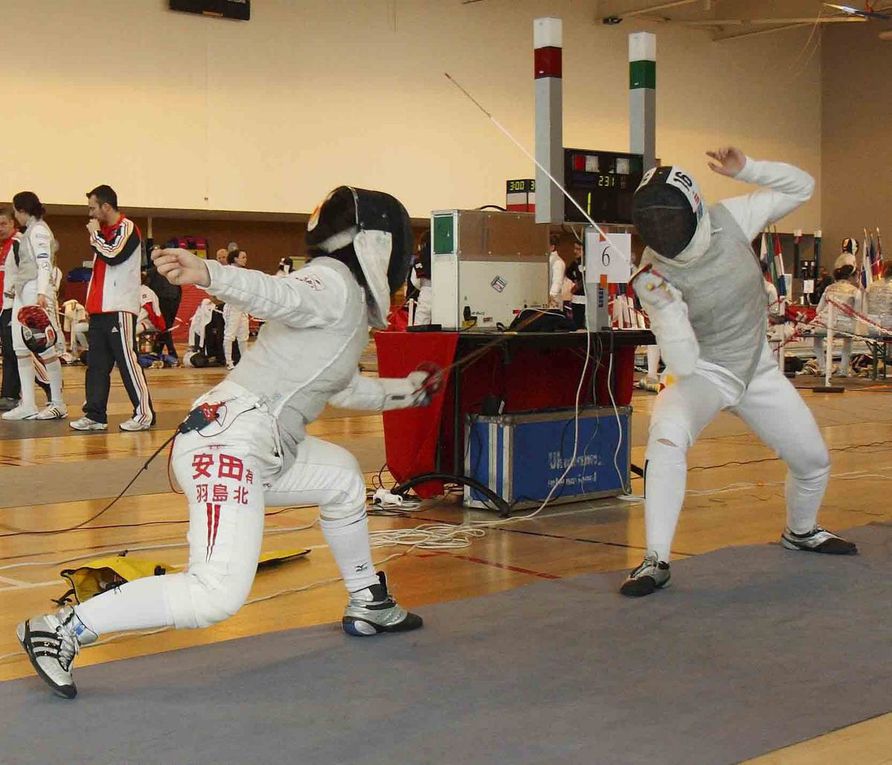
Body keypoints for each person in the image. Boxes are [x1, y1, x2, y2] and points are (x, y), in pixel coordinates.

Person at [17, 186, 433, 699]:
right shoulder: (333, 281)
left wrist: (407, 391)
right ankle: (59, 630)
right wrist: (210, 274)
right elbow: (279, 292)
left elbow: (339, 384)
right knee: (213, 596)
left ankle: (367, 597)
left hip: (257, 445)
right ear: (376, 244)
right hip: (229, 445)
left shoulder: (340, 311)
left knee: (342, 477)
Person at [620, 147, 857, 598]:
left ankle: (801, 531)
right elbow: (684, 362)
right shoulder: (651, 273)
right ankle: (655, 559)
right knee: (667, 433)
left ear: (692, 211)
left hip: (757, 366)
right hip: (705, 372)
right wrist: (667, 308)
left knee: (813, 462)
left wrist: (747, 170)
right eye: (651, 220)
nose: (660, 229)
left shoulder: (729, 219)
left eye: (667, 217)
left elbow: (802, 186)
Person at [70, 185, 155, 432]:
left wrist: (95, 236)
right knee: (96, 365)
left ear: (106, 207)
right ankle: (95, 415)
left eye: (93, 209)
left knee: (128, 361)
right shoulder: (105, 232)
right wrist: (89, 304)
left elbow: (114, 254)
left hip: (119, 308)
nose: (91, 215)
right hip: (99, 309)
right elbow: (100, 272)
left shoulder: (127, 228)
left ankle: (143, 413)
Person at [1, 192, 66, 421]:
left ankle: (58, 403)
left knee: (45, 348)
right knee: (20, 349)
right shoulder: (28, 231)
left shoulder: (39, 229)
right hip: (22, 293)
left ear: (21, 209)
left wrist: (41, 293)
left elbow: (44, 264)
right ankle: (28, 403)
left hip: (35, 292)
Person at [813, 252, 862, 377]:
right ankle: (843, 370)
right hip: (845, 326)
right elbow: (856, 313)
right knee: (848, 340)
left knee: (817, 339)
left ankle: (823, 369)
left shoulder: (829, 288)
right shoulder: (855, 291)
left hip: (825, 324)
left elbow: (819, 310)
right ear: (851, 276)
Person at [223, 250, 250, 369]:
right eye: (243, 257)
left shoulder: (244, 272)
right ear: (235, 259)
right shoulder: (228, 271)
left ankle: (244, 361)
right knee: (230, 335)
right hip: (232, 306)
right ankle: (229, 361)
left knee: (243, 336)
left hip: (243, 307)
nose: (245, 259)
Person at [409, 231, 432, 326]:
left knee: (421, 325)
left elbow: (414, 281)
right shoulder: (447, 257)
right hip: (447, 293)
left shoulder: (419, 258)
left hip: (426, 292)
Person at [565, 240, 586, 329]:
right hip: (577, 297)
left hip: (587, 298)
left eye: (578, 249)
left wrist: (579, 284)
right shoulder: (575, 263)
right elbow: (568, 272)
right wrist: (575, 280)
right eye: (575, 249)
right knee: (577, 323)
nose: (575, 251)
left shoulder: (589, 263)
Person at [547, 234, 565, 309]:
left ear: (552, 247)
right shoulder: (546, 260)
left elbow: (557, 282)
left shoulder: (558, 262)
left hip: (552, 303)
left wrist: (550, 297)